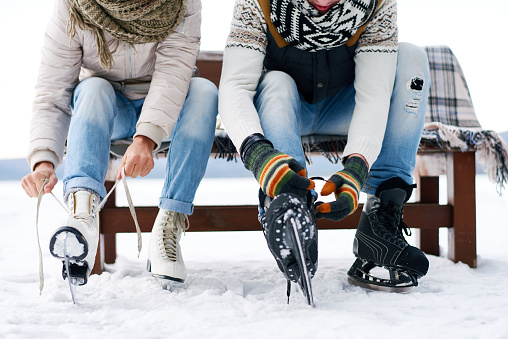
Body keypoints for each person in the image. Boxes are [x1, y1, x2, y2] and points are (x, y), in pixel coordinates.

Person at [218, 0, 430, 301]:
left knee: (411, 58)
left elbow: (374, 94)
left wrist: (357, 166)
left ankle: (382, 217)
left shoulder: (377, 4)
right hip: (283, 108)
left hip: (346, 106)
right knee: (277, 81)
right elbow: (235, 86)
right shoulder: (257, 2)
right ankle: (289, 204)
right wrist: (257, 154)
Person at [21, 0, 218, 287]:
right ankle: (83, 214)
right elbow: (52, 91)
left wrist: (146, 138)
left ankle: (169, 224)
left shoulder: (181, 3)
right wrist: (43, 161)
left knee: (203, 91)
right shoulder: (72, 6)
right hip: (109, 111)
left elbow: (174, 71)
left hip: (168, 112)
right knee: (92, 87)